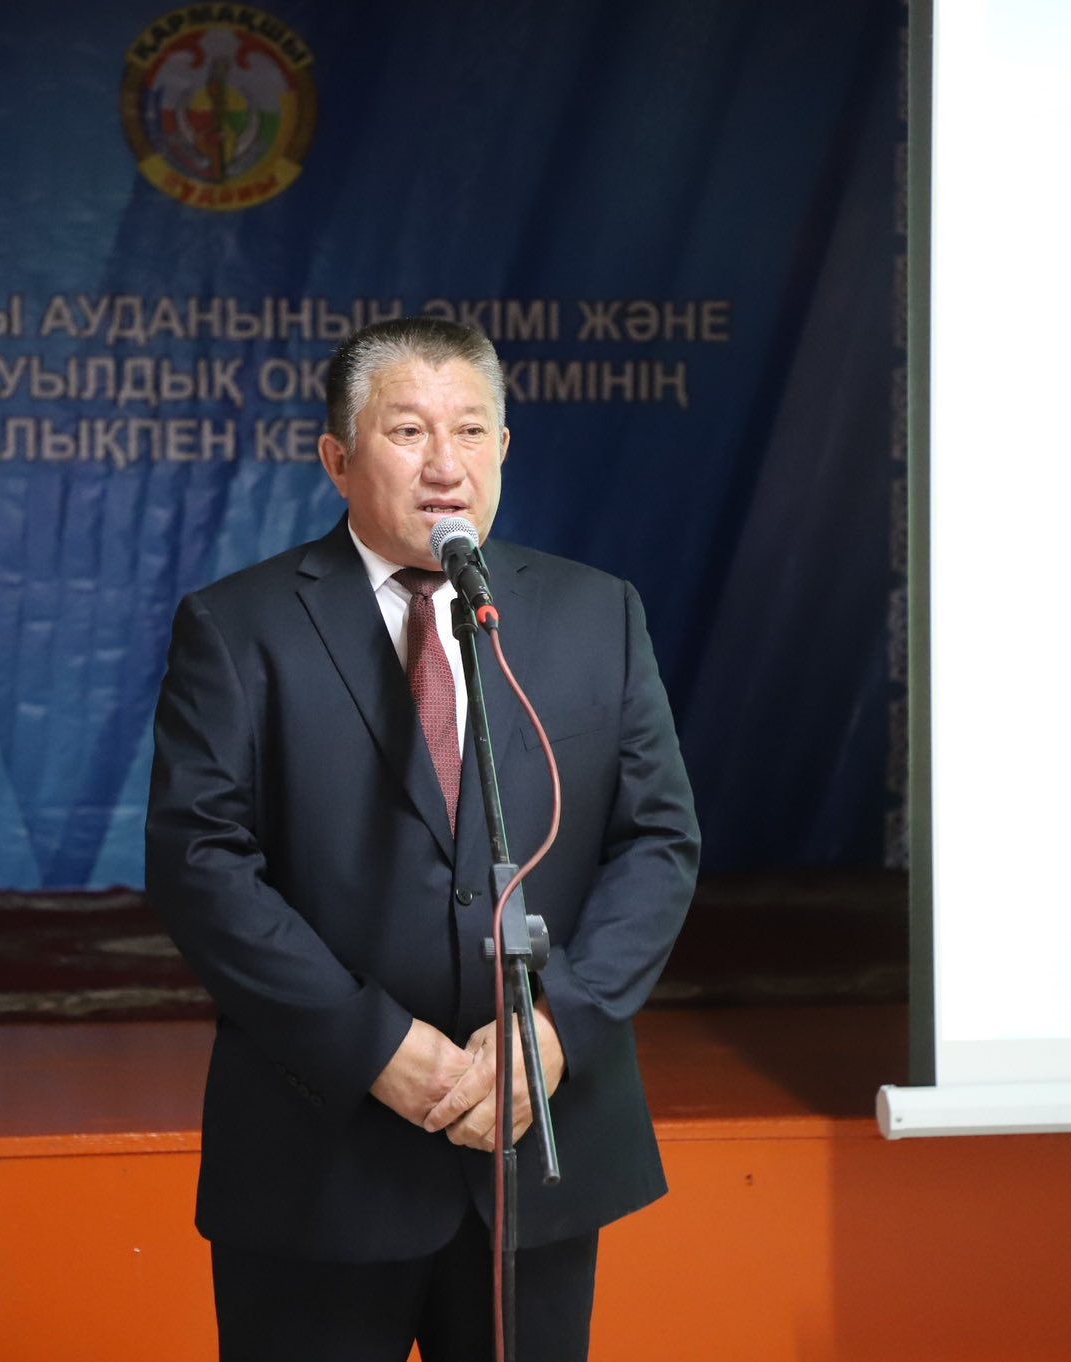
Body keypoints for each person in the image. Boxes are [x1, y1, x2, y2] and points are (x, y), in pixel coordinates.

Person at [146, 317, 699, 1361]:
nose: (446, 464)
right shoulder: (239, 626)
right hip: (323, 1156)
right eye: (407, 431)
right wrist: (377, 1049)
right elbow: (199, 865)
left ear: (504, 448)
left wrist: (556, 1029)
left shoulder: (596, 613)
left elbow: (658, 843)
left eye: (471, 430)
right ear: (337, 458)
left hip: (532, 1149)